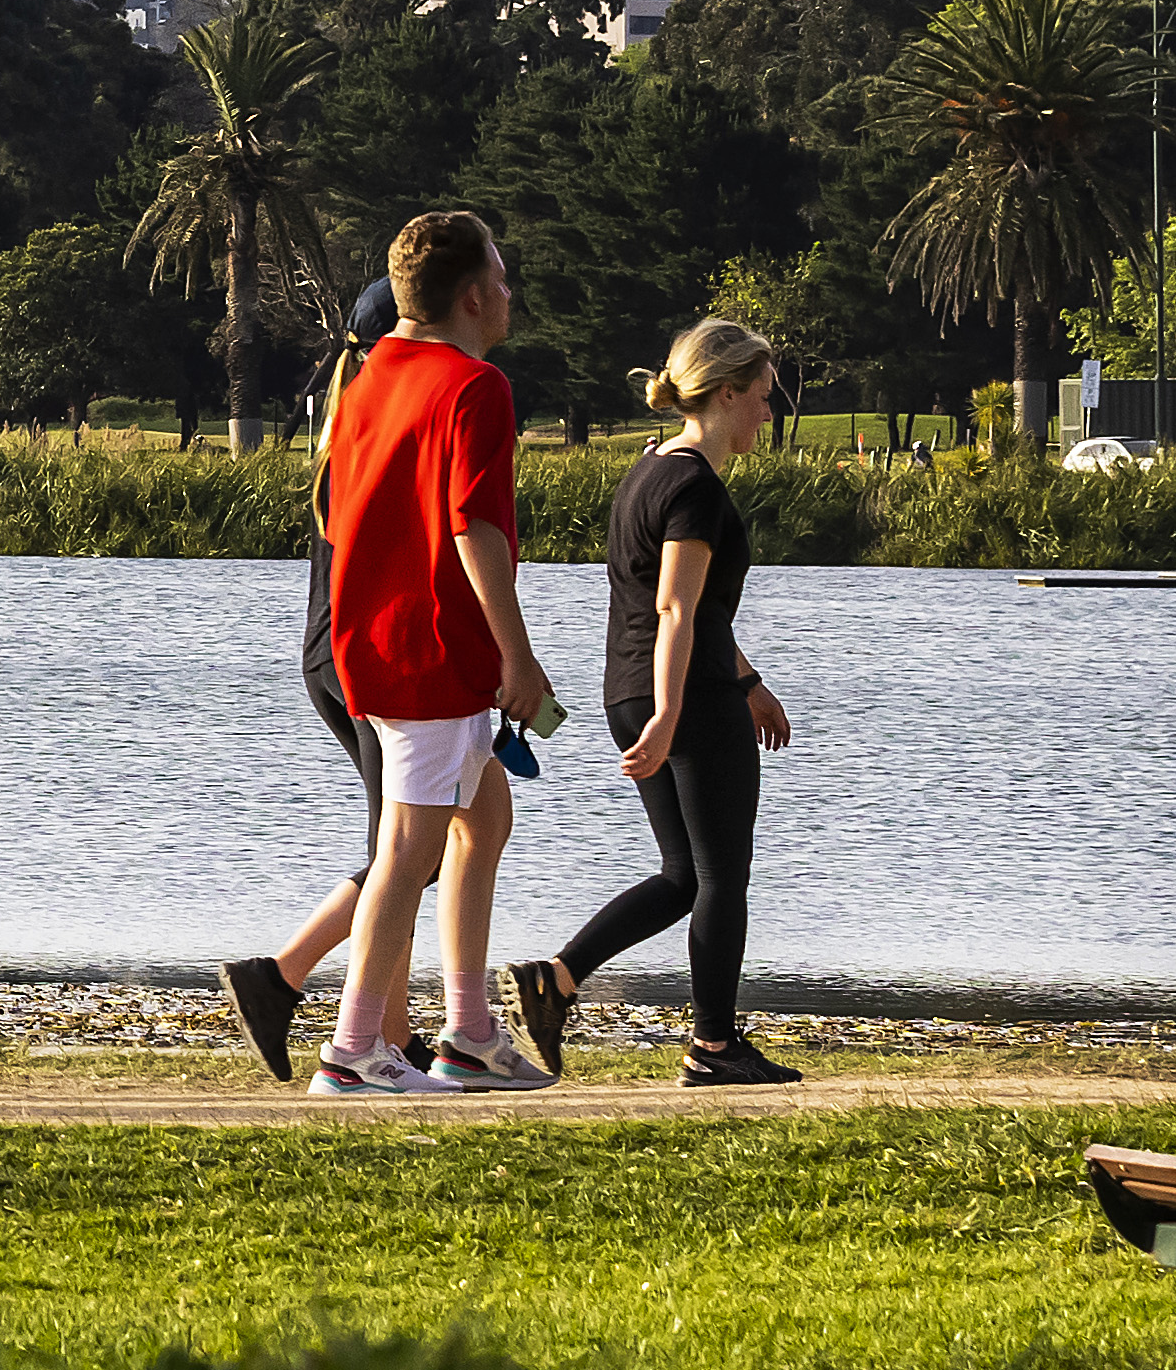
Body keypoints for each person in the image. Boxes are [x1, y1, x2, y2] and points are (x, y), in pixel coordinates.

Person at [306, 211, 558, 1096]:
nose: (509, 290)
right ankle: (351, 1050)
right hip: (430, 651)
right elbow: (474, 526)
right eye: (501, 272)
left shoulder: (368, 374)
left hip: (370, 641)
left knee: (483, 816)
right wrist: (515, 655)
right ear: (471, 294)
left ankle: (468, 1031)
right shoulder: (473, 385)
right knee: (407, 848)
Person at [521, 318, 809, 1089]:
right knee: (723, 876)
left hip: (634, 684)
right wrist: (671, 712)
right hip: (677, 695)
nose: (767, 411)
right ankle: (714, 1048)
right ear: (723, 392)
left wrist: (746, 680)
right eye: (760, 395)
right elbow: (677, 612)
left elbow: (690, 609)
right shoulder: (692, 486)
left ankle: (558, 977)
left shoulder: (649, 469)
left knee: (683, 874)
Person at [227, 279, 501, 1086]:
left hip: (334, 655)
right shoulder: (400, 417)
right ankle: (291, 983)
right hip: (369, 660)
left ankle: (396, 1029)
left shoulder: (355, 417)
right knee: (406, 852)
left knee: (429, 839)